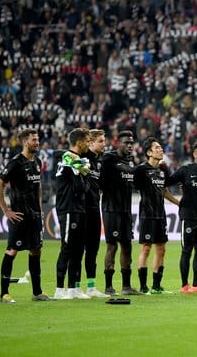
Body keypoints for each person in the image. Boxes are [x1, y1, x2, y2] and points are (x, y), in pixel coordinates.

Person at [0, 128, 52, 303]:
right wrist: (6, 210)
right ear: (25, 142)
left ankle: (37, 292)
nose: (37, 142)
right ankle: (4, 293)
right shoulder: (16, 163)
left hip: (34, 216)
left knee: (36, 251)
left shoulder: (37, 161)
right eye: (34, 139)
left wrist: (40, 207)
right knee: (12, 251)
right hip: (19, 216)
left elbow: (38, 185)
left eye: (38, 139)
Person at [133, 137, 179, 294]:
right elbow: (132, 187)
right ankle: (143, 286)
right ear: (149, 152)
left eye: (161, 148)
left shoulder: (163, 170)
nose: (161, 150)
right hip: (147, 214)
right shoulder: (140, 170)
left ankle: (156, 286)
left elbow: (164, 191)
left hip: (161, 215)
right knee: (146, 249)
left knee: (161, 249)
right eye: (157, 148)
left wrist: (178, 203)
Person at [99, 130, 142, 295]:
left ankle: (126, 286)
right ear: (118, 143)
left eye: (132, 143)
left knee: (127, 246)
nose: (130, 145)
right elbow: (101, 182)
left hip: (125, 210)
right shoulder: (109, 159)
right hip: (111, 209)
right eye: (127, 143)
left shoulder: (131, 162)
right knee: (112, 246)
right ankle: (109, 286)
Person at [53, 128, 92, 300]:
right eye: (87, 141)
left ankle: (72, 288)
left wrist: (83, 173)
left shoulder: (78, 160)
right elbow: (80, 187)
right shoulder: (68, 159)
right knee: (67, 247)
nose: (89, 144)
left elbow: (85, 184)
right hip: (68, 208)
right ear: (79, 142)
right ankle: (59, 289)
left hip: (79, 208)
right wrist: (82, 173)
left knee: (78, 249)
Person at [169, 140, 197, 293]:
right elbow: (166, 183)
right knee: (187, 251)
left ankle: (196, 285)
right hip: (188, 217)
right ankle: (184, 285)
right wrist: (177, 202)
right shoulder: (185, 170)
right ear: (194, 154)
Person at [81, 129, 109, 297]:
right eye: (100, 141)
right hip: (81, 211)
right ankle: (73, 287)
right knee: (77, 251)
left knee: (93, 250)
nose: (104, 144)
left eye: (104, 140)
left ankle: (91, 287)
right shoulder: (81, 159)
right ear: (89, 143)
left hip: (94, 209)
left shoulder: (100, 163)